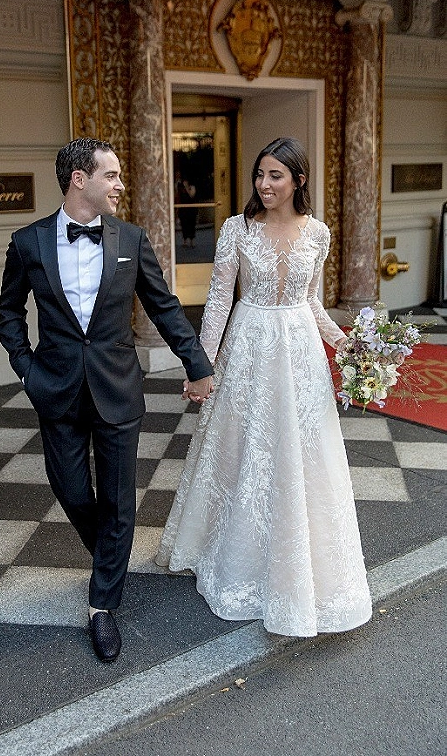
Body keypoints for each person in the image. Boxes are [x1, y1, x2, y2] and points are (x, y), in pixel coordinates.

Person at [0, 138, 213, 663]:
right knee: (71, 490)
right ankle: (111, 558)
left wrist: (197, 364)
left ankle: (102, 606)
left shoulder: (131, 239)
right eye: (111, 175)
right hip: (56, 388)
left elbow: (163, 307)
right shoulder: (28, 242)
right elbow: (9, 314)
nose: (120, 185)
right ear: (79, 179)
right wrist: (27, 370)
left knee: (118, 500)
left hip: (117, 388)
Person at [156, 137, 372, 637]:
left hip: (300, 354)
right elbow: (218, 299)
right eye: (260, 174)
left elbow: (311, 301)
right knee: (242, 449)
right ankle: (233, 554)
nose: (264, 184)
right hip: (249, 346)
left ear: (299, 180)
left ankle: (303, 561)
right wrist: (201, 365)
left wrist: (345, 345)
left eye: (275, 175)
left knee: (303, 452)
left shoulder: (318, 233)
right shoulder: (237, 228)